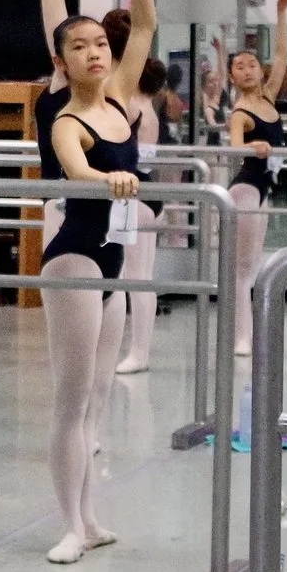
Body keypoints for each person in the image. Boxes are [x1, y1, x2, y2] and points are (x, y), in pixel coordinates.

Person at [40, 0, 154, 562]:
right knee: (70, 397)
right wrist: (104, 179)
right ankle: (67, 524)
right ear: (60, 60)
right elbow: (71, 171)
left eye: (100, 45)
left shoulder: (120, 97)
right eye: (78, 46)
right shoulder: (65, 118)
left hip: (111, 260)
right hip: (75, 255)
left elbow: (145, 25)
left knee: (96, 400)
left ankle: (89, 515)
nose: (93, 53)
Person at [223, 0, 287, 356]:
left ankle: (248, 332)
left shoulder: (268, 98)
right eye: (240, 67)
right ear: (232, 78)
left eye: (251, 64)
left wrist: (280, 15)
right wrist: (253, 148)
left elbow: (280, 56)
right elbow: (234, 150)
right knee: (241, 270)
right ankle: (241, 336)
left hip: (264, 190)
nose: (248, 70)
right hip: (246, 189)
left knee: (252, 266)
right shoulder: (241, 112)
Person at [116, 55, 169, 375]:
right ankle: (138, 350)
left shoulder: (132, 105)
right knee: (138, 276)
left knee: (133, 277)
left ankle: (139, 352)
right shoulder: (151, 105)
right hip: (146, 192)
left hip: (135, 196)